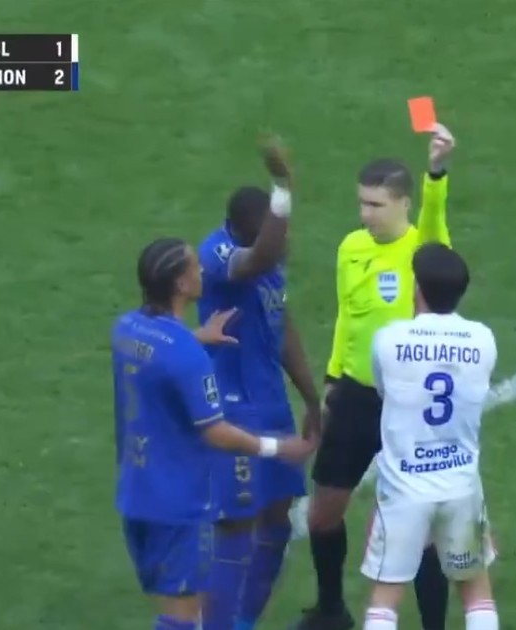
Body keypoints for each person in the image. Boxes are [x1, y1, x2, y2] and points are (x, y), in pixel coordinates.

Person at [291, 124, 457, 630]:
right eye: (362, 203)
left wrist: (436, 171)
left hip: (407, 405)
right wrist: (332, 380)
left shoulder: (424, 249)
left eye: (376, 205)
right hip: (356, 397)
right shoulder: (351, 247)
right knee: (324, 512)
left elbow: (436, 218)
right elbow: (348, 315)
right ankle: (331, 608)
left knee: (422, 528)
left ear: (404, 203)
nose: (366, 214)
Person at [112, 237, 313, 630]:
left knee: (172, 606)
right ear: (181, 284)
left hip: (136, 494)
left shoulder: (126, 330)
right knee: (181, 618)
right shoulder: (188, 357)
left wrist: (196, 337)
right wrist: (275, 447)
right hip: (177, 503)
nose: (202, 269)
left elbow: (162, 352)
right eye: (194, 266)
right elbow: (216, 433)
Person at [196, 138, 322, 630]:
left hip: (269, 402)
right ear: (245, 230)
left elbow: (280, 325)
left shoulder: (272, 260)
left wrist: (310, 396)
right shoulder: (219, 253)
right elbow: (259, 257)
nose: (283, 243)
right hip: (229, 407)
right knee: (236, 525)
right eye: (273, 231)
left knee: (278, 520)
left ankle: (242, 621)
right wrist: (284, 187)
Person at [359, 243, 499, 630]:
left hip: (404, 488)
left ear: (417, 287)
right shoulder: (483, 339)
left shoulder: (388, 339)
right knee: (476, 592)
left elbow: (384, 392)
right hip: (461, 487)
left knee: (385, 599)